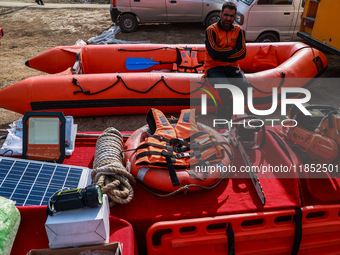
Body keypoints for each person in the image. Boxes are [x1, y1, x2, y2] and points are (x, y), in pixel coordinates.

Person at [204, 1, 248, 121]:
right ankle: (221, 119)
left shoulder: (239, 31)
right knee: (224, 87)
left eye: (231, 16)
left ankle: (235, 116)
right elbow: (213, 54)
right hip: (214, 67)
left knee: (245, 86)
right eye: (226, 15)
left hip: (232, 67)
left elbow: (242, 53)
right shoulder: (211, 30)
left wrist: (223, 53)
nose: (228, 18)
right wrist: (232, 50)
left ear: (235, 16)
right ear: (221, 13)